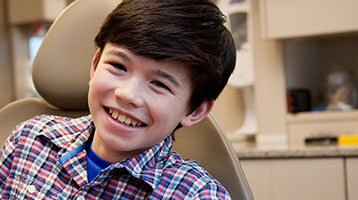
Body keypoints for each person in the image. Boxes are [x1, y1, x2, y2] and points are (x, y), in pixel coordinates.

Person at [0, 0, 236, 199]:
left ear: (194, 111)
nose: (127, 94)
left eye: (159, 84)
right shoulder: (28, 140)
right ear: (94, 65)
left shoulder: (197, 195)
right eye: (117, 66)